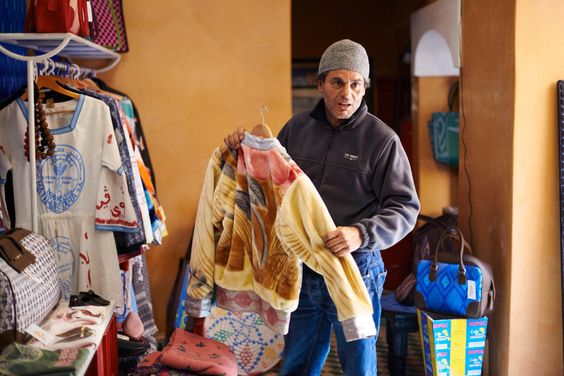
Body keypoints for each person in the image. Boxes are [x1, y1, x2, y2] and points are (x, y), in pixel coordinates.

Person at [224, 39, 420, 376]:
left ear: (364, 88)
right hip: (303, 268)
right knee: (298, 361)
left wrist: (361, 233)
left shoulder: (382, 140)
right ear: (320, 85)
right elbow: (268, 180)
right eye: (337, 82)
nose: (347, 93)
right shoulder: (296, 130)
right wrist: (238, 151)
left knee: (358, 365)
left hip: (355, 268)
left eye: (356, 84)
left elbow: (405, 207)